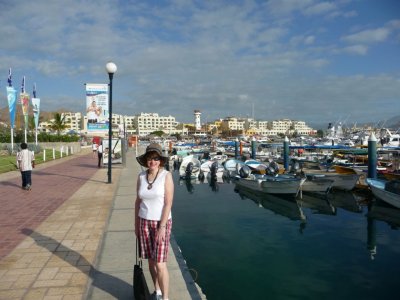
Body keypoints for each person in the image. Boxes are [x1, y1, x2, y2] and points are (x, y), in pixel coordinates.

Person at [135, 143, 173, 300]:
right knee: (151, 262)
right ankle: (156, 291)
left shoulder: (166, 176)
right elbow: (137, 202)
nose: (153, 162)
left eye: (156, 158)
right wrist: (136, 225)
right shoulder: (141, 177)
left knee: (160, 264)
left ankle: (165, 298)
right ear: (146, 160)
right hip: (144, 221)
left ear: (160, 160)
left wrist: (162, 227)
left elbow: (168, 203)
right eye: (150, 158)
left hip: (161, 223)